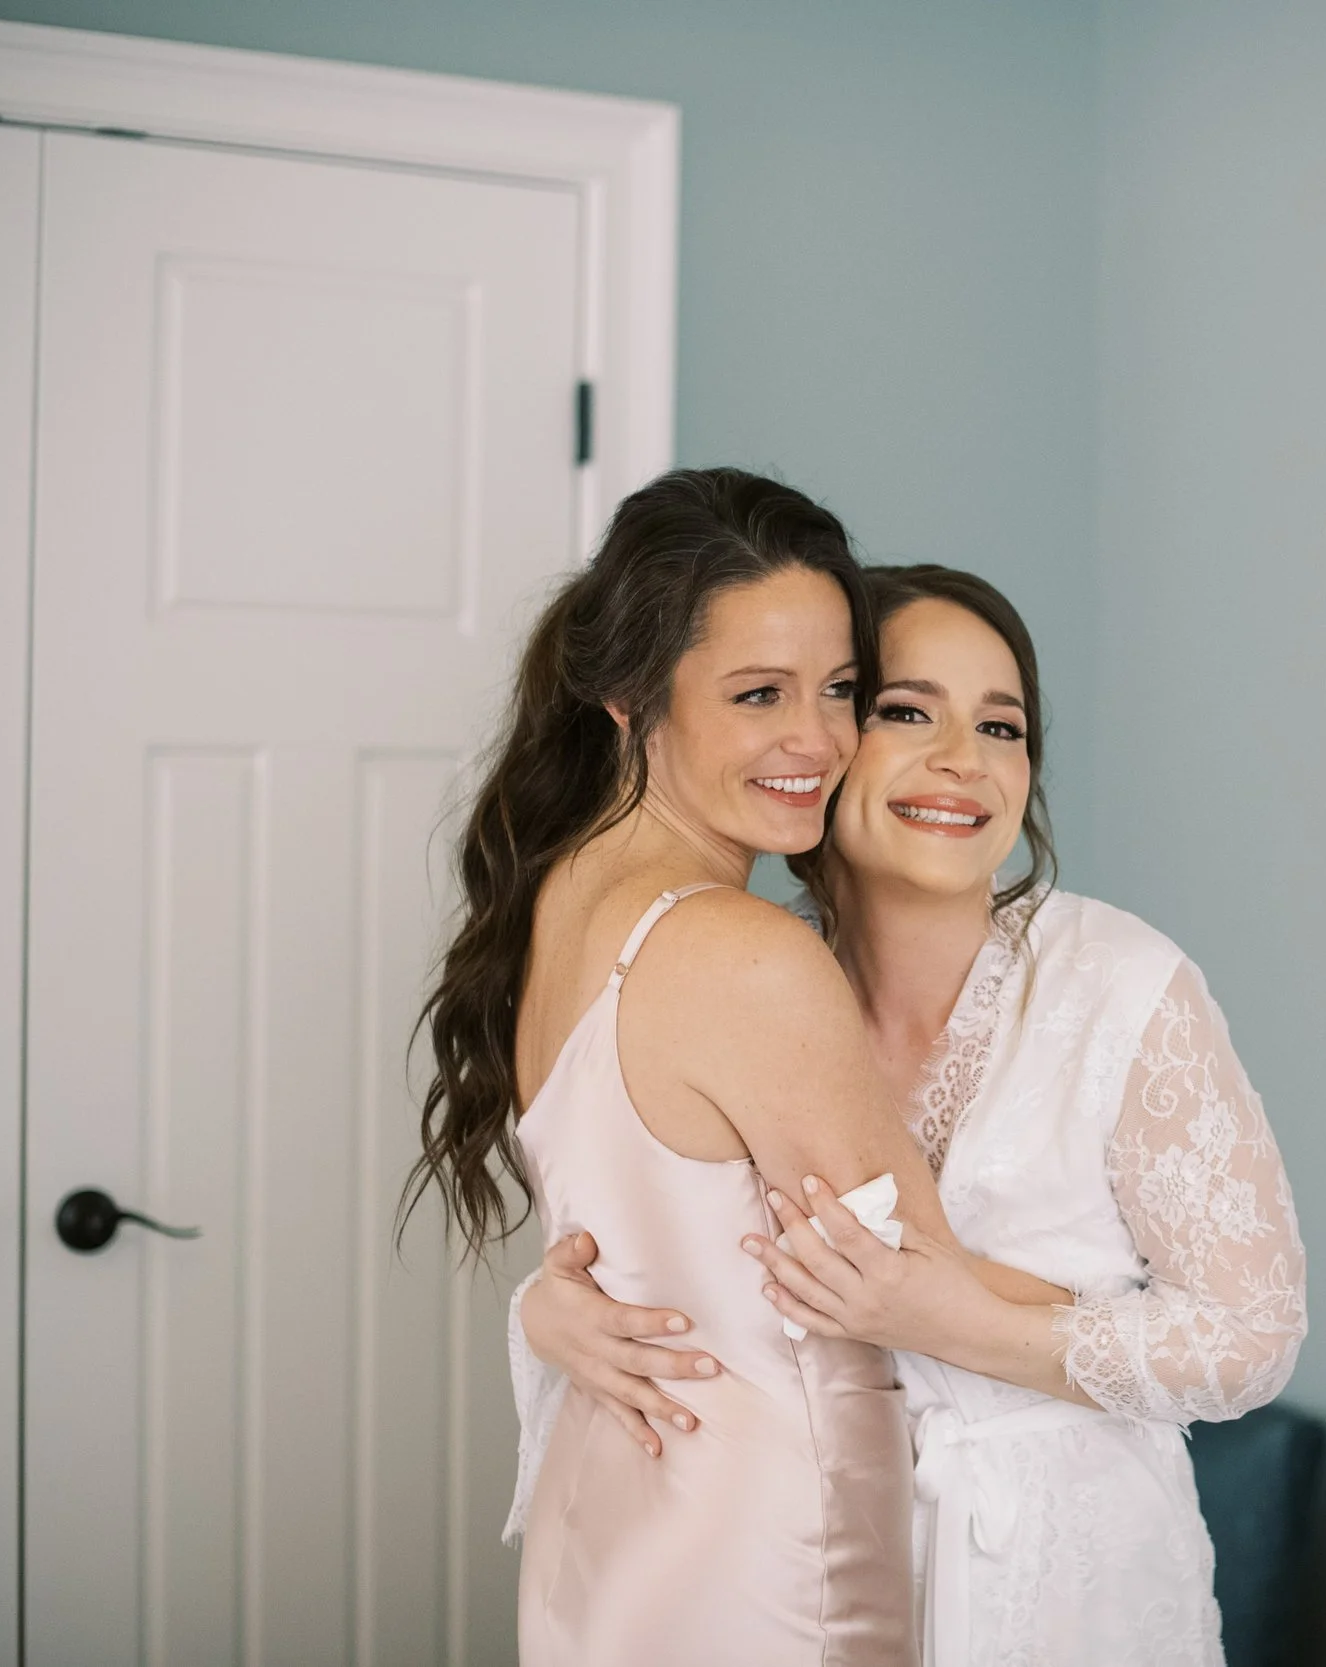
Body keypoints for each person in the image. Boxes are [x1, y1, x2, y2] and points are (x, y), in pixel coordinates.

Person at [515, 562, 1307, 1666]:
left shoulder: (1119, 986)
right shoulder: (753, 981)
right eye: (905, 710)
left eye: (1001, 725)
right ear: (828, 743)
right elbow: (699, 1257)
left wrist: (958, 1318)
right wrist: (548, 1311)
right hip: (814, 1575)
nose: (964, 760)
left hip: (1065, 1584)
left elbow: (1248, 1340)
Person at [407, 471, 1066, 1667]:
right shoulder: (744, 952)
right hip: (768, 1553)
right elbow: (921, 1295)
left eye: (842, 689)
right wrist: (1176, 1326)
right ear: (627, 697)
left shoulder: (563, 895)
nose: (816, 739)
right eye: (759, 692)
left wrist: (541, 1307)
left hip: (614, 1514)